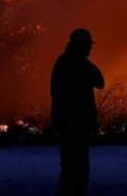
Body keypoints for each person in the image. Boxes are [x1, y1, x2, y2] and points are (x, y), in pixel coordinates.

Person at [50, 28, 104, 195]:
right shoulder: (79, 65)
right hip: (75, 125)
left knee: (71, 168)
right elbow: (100, 81)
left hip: (69, 124)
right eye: (88, 45)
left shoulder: (62, 62)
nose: (90, 48)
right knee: (77, 169)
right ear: (79, 45)